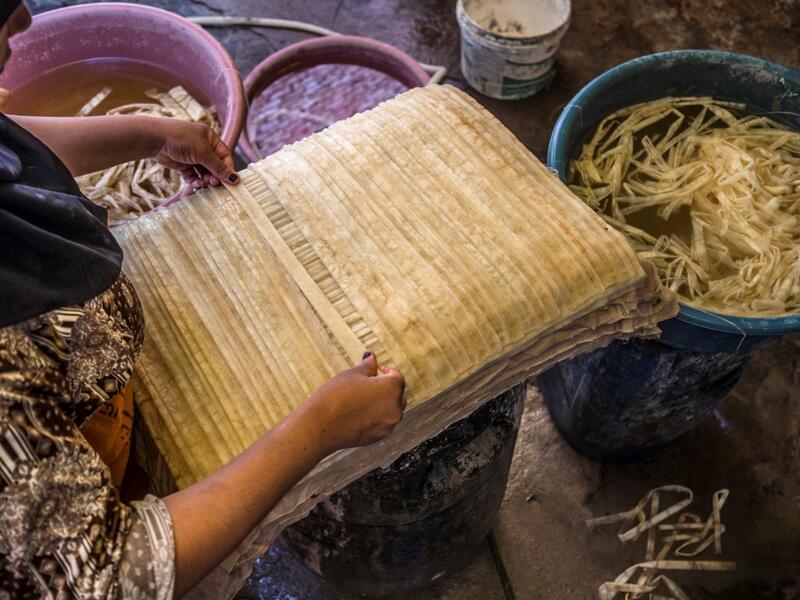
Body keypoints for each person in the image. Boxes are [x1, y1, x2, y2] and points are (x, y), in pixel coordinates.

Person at [0, 2, 406, 598]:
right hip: (84, 474)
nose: (26, 21)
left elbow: (10, 148)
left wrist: (148, 132)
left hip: (97, 403)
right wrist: (319, 428)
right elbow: (105, 577)